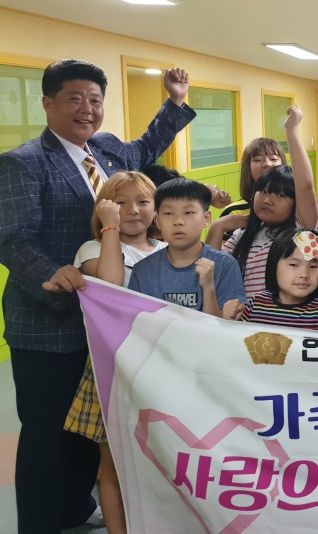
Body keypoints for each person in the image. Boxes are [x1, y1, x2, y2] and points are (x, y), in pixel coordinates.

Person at [0, 59, 195, 533]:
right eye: (75, 98)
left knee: (91, 428)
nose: (87, 109)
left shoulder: (105, 150)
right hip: (49, 321)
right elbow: (11, 237)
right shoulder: (24, 162)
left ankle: (74, 508)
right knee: (47, 433)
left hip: (106, 327)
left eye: (95, 99)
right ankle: (39, 524)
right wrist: (50, 274)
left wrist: (174, 102)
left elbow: (145, 147)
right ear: (47, 103)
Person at [65, 171, 164, 534]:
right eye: (120, 203)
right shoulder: (93, 249)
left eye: (143, 202)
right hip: (115, 369)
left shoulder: (167, 249)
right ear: (105, 209)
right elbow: (110, 284)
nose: (133, 210)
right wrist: (109, 228)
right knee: (113, 465)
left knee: (161, 460)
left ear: (156, 209)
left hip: (163, 370)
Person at [128, 179, 246, 315]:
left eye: (188, 212)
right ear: (158, 220)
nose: (178, 221)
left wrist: (209, 288)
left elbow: (225, 326)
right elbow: (135, 322)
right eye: (168, 213)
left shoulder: (225, 265)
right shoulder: (143, 271)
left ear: (206, 219)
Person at [207, 107, 314, 249]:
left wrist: (291, 129)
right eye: (257, 160)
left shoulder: (299, 220)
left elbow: (305, 185)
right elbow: (217, 260)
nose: (267, 164)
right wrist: (218, 226)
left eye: (281, 195)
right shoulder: (239, 231)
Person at [223, 229, 318, 339]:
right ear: (274, 265)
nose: (304, 274)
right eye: (294, 265)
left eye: (314, 266)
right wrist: (229, 320)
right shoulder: (257, 304)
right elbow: (238, 342)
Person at [217, 137, 286, 236]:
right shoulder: (233, 212)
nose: (267, 164)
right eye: (257, 160)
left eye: (273, 159)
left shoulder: (295, 206)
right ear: (247, 167)